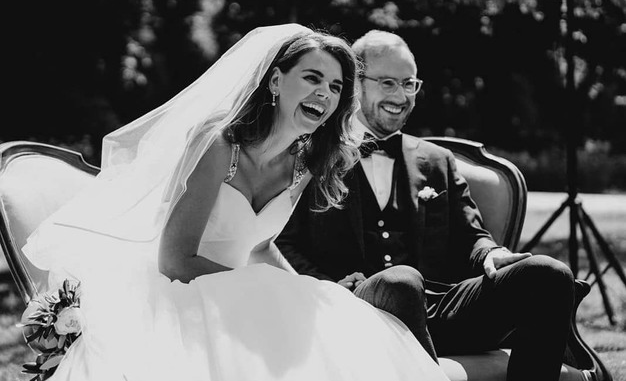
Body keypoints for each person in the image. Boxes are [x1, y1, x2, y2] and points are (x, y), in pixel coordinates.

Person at [22, 24, 451, 381]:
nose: (325, 93)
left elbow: (259, 244)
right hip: (178, 295)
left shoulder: (305, 162)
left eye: (336, 86)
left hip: (242, 295)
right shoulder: (218, 144)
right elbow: (174, 259)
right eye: (312, 78)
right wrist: (268, 293)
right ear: (276, 81)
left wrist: (298, 291)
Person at [275, 29, 576, 381]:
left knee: (549, 273)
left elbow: (471, 236)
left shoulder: (437, 160)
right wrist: (329, 287)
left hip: (443, 311)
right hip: (359, 310)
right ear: (355, 84)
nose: (400, 95)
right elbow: (283, 243)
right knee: (402, 280)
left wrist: (490, 253)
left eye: (409, 84)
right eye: (387, 83)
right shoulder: (311, 154)